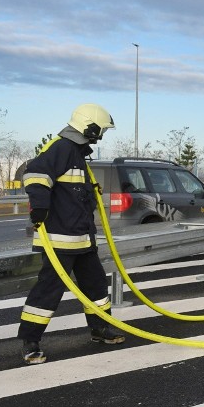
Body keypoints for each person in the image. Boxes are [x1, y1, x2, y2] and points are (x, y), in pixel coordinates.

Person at [18, 104, 126, 365]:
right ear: (89, 127)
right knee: (49, 291)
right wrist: (40, 208)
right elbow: (34, 173)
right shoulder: (62, 148)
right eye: (101, 130)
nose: (101, 134)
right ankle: (30, 341)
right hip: (60, 240)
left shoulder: (77, 154)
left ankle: (100, 329)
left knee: (96, 286)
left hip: (81, 239)